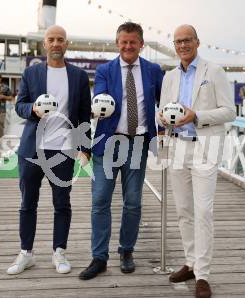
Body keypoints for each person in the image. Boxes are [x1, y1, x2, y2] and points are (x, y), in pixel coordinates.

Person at [78, 22, 163, 280]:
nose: (128, 46)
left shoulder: (153, 70)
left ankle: (126, 250)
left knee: (134, 202)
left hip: (137, 143)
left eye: (133, 42)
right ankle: (99, 257)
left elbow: (164, 103)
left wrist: (166, 133)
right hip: (107, 143)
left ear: (141, 44)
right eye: (123, 42)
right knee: (100, 201)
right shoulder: (105, 70)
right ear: (117, 43)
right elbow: (100, 101)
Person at [157, 25, 236, 298]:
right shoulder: (169, 76)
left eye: (187, 40)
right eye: (178, 41)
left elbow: (230, 111)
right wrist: (162, 117)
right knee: (183, 211)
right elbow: (163, 109)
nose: (182, 45)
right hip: (176, 146)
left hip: (204, 147)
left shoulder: (214, 72)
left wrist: (196, 116)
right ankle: (190, 262)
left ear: (197, 42)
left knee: (203, 212)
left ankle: (203, 274)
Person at [7, 25, 91, 275]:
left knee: (62, 204)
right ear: (45, 44)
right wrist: (32, 108)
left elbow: (84, 114)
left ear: (67, 44)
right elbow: (19, 106)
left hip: (63, 151)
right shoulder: (31, 73)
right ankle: (26, 254)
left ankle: (59, 252)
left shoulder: (78, 76)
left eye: (61, 40)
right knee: (27, 204)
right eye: (51, 39)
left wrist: (85, 148)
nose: (56, 43)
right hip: (32, 149)